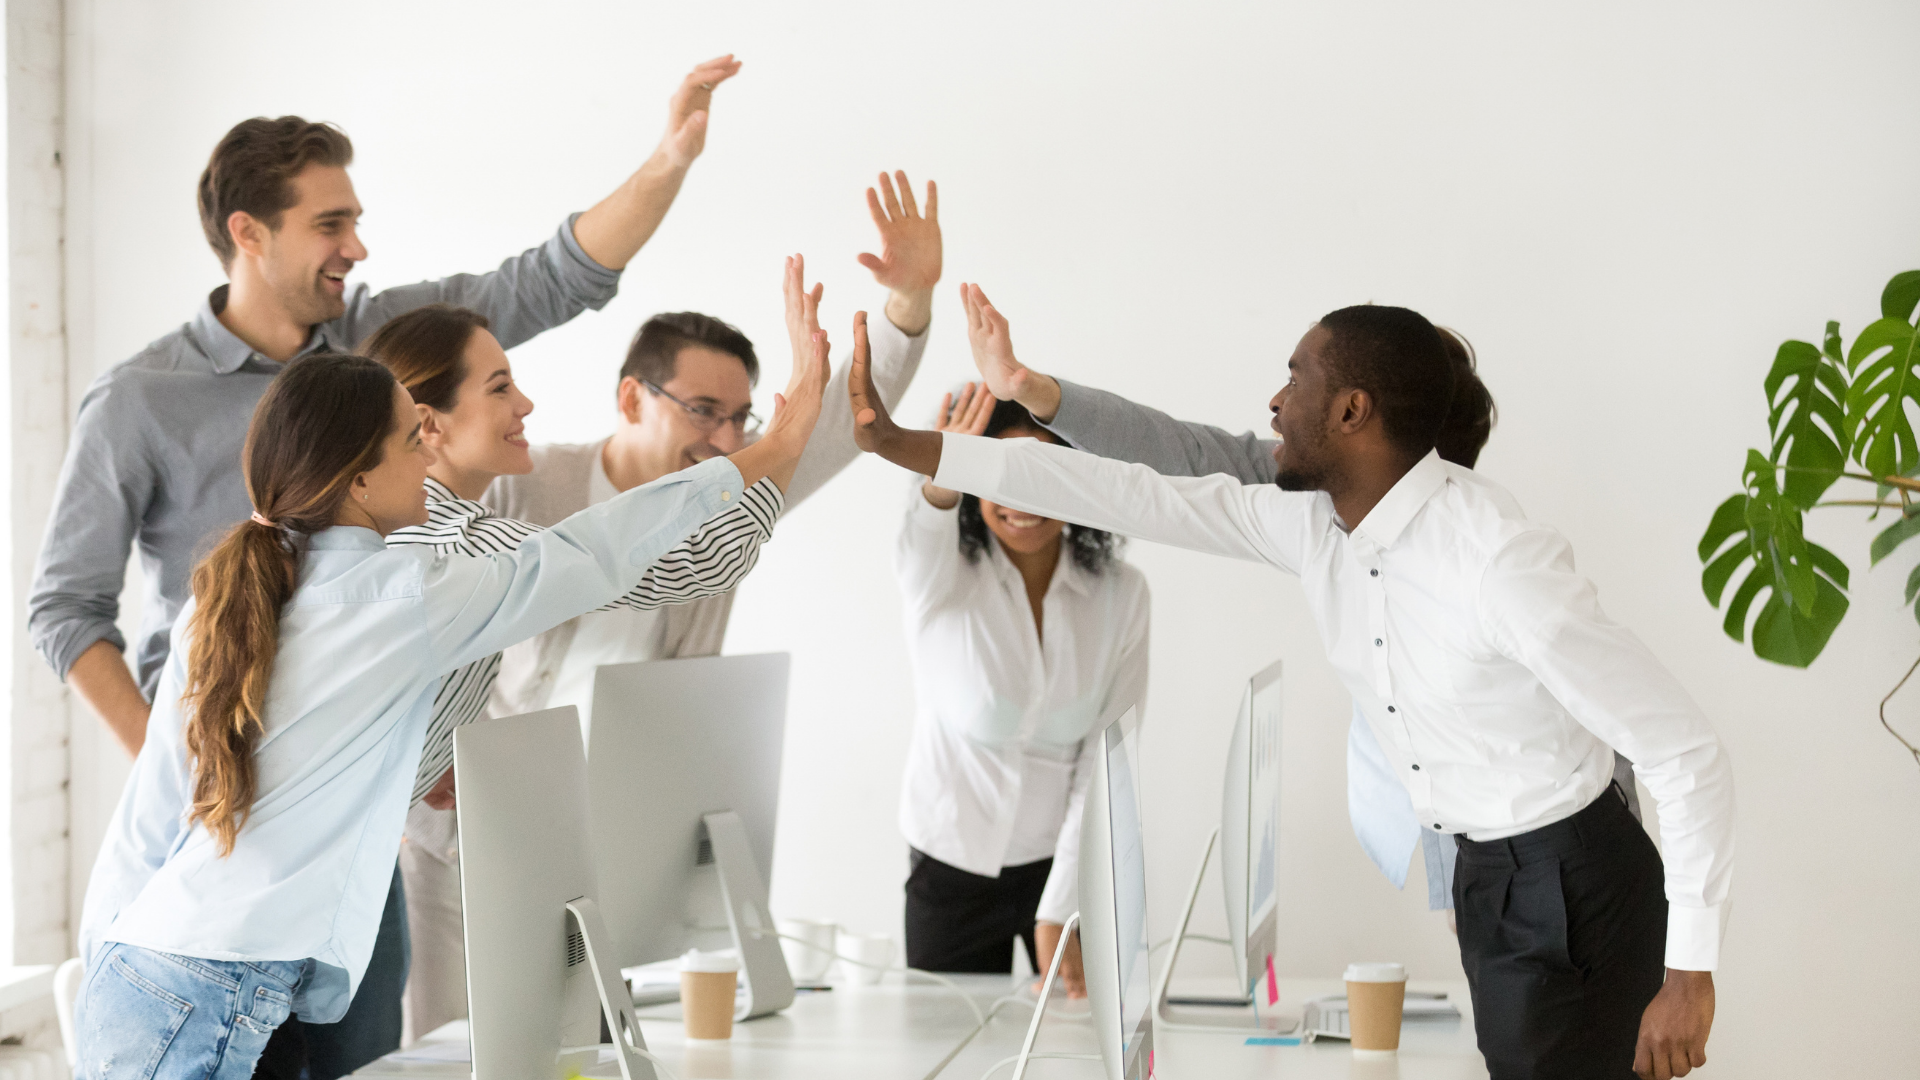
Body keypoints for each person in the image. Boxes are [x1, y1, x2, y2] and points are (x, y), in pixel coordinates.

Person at [31, 55, 739, 1077]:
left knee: (371, 1063)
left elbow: (547, 278)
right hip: (219, 853)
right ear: (248, 232)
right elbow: (65, 610)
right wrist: (221, 780)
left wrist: (669, 157)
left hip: (356, 836)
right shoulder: (142, 400)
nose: (356, 246)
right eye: (331, 225)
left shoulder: (371, 352)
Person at [847, 288, 1732, 1080]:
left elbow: (1684, 750)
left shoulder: (1497, 561)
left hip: (1576, 874)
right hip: (1485, 869)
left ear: (1351, 410)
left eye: (1294, 377)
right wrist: (916, 450)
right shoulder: (1315, 526)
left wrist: (1691, 972)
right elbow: (1135, 492)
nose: (1274, 401)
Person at [73, 326, 826, 1080]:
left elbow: (156, 806)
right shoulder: (404, 596)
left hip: (148, 970)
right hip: (214, 996)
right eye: (410, 441)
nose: (426, 454)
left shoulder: (235, 593)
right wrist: (764, 453)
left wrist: (101, 956)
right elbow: (597, 551)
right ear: (358, 481)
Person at [960, 326, 1643, 915]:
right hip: (1470, 850)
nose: (1284, 409)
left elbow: (1625, 749)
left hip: (1560, 861)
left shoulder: (1494, 563)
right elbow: (1190, 457)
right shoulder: (1323, 503)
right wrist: (1040, 395)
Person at [361, 258, 820, 1040]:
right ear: (427, 423)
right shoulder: (456, 542)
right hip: (369, 874)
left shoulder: (449, 533)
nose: (526, 401)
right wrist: (786, 436)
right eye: (499, 387)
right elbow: (690, 561)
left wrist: (429, 751)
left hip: (389, 857)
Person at [482, 172, 941, 730]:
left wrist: (910, 300)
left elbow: (846, 417)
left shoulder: (729, 493)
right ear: (632, 399)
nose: (727, 442)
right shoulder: (523, 482)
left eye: (740, 418)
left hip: (642, 785)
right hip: (497, 776)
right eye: (702, 411)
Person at [895, 384, 1147, 998]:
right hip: (949, 863)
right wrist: (948, 457)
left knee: (1073, 1049)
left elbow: (1105, 765)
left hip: (1061, 869)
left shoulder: (1121, 595)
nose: (1020, 500)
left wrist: (1062, 903)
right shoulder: (940, 576)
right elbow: (926, 512)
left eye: (1044, 475)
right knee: (943, 1053)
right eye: (1001, 475)